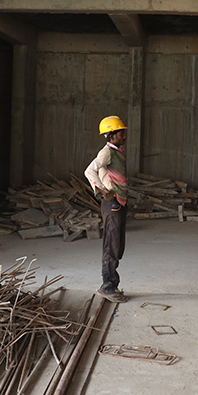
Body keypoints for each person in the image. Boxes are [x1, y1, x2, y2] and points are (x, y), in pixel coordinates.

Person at [84, 116, 130, 303]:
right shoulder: (106, 153)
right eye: (121, 133)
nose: (124, 136)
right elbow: (89, 171)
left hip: (119, 203)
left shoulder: (117, 152)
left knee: (117, 245)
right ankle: (108, 286)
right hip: (112, 205)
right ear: (111, 135)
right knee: (111, 245)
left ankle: (112, 284)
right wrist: (103, 191)